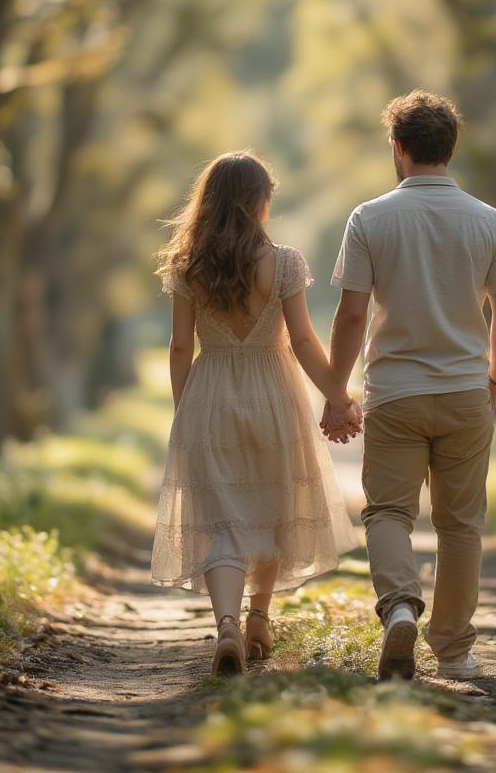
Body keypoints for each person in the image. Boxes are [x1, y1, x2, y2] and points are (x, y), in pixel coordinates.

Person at [322, 90, 496, 681]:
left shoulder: (369, 218)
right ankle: (455, 651)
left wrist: (337, 392)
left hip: (395, 394)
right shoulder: (489, 221)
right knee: (461, 525)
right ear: (451, 150)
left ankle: (401, 606)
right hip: (466, 391)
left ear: (399, 149)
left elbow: (352, 316)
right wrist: (494, 378)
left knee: (387, 511)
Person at [151, 150, 359, 676]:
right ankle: (259, 618)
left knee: (222, 519)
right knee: (271, 507)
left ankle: (226, 624)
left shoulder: (187, 265)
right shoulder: (284, 263)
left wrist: (185, 410)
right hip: (275, 392)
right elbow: (306, 340)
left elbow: (179, 347)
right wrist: (337, 394)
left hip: (211, 392)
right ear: (259, 203)